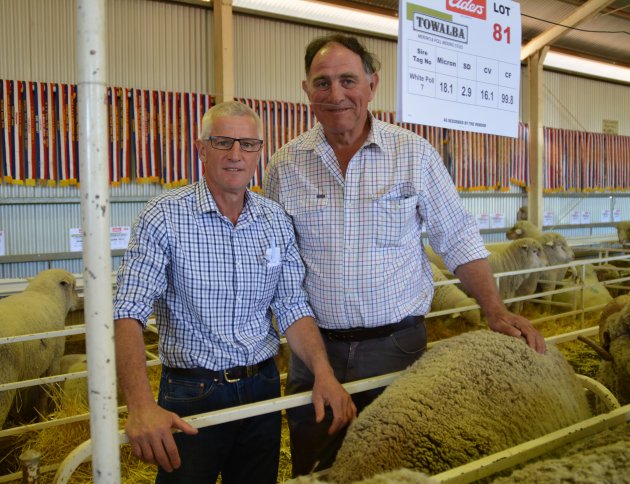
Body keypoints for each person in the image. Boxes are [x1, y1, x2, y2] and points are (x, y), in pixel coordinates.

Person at [263, 33, 547, 476]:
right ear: (306, 90)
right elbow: (277, 262)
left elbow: (456, 237)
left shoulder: (413, 154)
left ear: (372, 85)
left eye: (348, 80)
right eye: (322, 82)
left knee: (399, 462)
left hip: (396, 347)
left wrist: (494, 310)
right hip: (315, 352)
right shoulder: (284, 165)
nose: (336, 94)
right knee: (315, 464)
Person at [113, 101, 356, 484]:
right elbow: (129, 310)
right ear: (201, 148)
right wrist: (140, 406)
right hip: (193, 391)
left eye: (247, 144)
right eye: (223, 142)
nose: (235, 155)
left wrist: (323, 373)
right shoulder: (164, 215)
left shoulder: (274, 219)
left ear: (260, 151)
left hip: (262, 387)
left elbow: (292, 305)